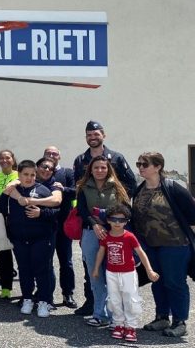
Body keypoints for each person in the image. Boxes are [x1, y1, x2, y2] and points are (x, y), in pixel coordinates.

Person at [73, 121, 136, 316]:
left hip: (114, 225)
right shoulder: (80, 160)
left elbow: (131, 184)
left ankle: (118, 311)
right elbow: (79, 189)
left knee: (117, 268)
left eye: (96, 133)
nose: (93, 137)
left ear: (103, 135)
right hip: (91, 226)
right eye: (89, 134)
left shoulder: (116, 157)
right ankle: (93, 304)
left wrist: (117, 212)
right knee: (91, 268)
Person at [131, 151, 195, 338]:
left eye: (145, 164)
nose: (141, 167)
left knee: (174, 282)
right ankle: (162, 317)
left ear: (158, 167)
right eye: (139, 164)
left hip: (175, 245)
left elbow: (192, 215)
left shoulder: (173, 188)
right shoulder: (140, 189)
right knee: (156, 281)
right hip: (149, 245)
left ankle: (179, 321)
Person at [91, 203, 159, 343]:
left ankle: (131, 327)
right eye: (114, 219)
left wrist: (149, 270)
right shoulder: (106, 237)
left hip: (128, 273)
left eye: (121, 220)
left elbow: (141, 253)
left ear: (126, 221)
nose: (117, 223)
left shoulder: (129, 236)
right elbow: (101, 253)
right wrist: (96, 269)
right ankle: (118, 325)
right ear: (108, 220)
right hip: (111, 273)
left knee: (130, 299)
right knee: (114, 299)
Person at [0, 160, 58, 318]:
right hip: (19, 239)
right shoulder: (12, 191)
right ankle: (27, 299)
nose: (29, 178)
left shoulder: (43, 191)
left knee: (42, 271)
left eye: (32, 175)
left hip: (41, 239)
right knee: (24, 271)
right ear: (19, 174)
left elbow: (56, 214)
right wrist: (6, 192)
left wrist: (42, 213)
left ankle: (44, 302)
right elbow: (1, 207)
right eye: (25, 174)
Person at [76, 155, 130, 328]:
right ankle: (100, 314)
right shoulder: (83, 187)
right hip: (91, 233)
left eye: (103, 168)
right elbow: (82, 211)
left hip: (114, 233)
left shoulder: (117, 186)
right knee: (95, 274)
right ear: (90, 169)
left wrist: (110, 222)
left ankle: (118, 317)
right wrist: (95, 225)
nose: (100, 171)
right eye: (96, 167)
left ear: (108, 169)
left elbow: (125, 209)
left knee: (116, 275)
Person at [43, 146, 78, 308]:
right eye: (48, 153)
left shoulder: (67, 173)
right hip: (45, 224)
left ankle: (68, 294)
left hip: (64, 225)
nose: (51, 156)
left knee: (66, 262)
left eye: (54, 153)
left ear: (59, 156)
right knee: (46, 261)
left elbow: (76, 191)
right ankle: (46, 295)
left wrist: (61, 189)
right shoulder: (40, 173)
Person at [0, 149, 18, 300]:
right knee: (4, 256)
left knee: (21, 255)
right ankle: (6, 288)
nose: (4, 160)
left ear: (13, 160)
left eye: (7, 158)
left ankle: (28, 289)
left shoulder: (19, 175)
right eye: (1, 158)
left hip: (17, 220)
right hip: (0, 220)